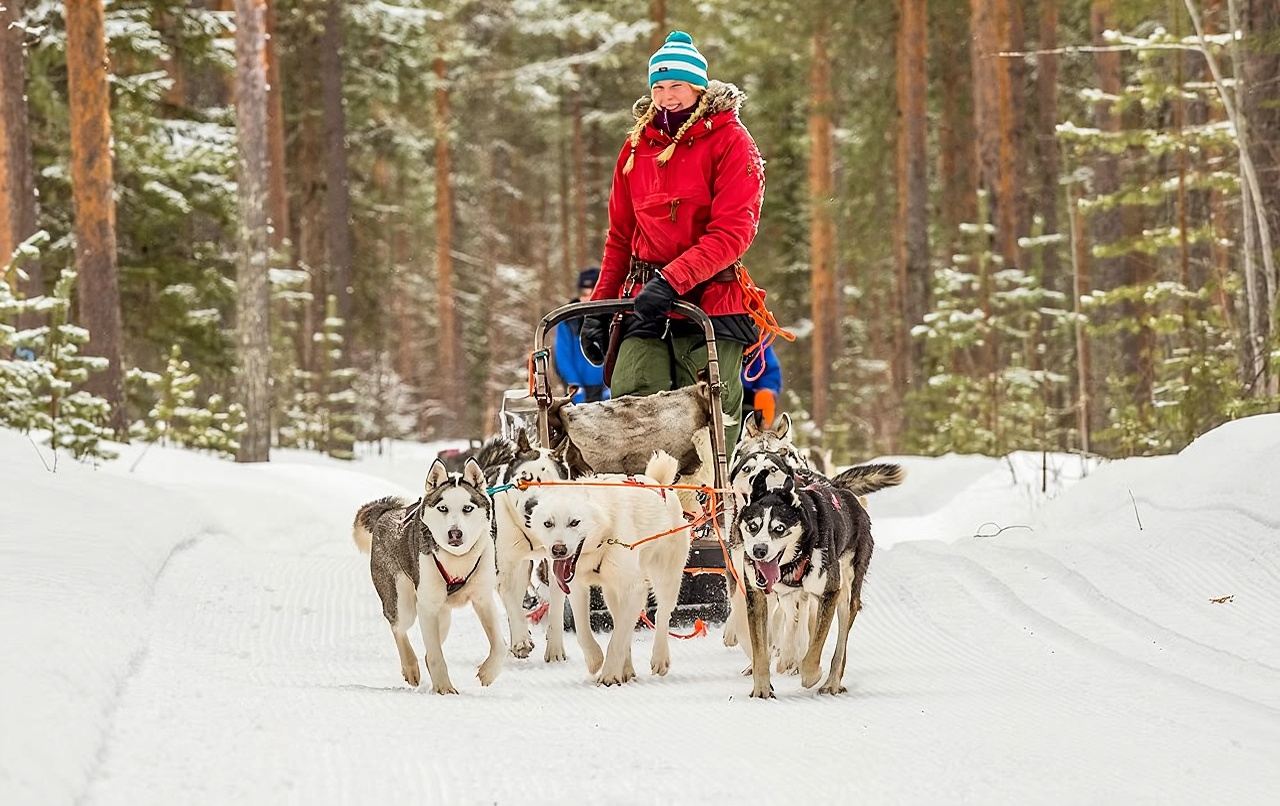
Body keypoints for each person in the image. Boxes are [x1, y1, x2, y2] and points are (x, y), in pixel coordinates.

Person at [579, 30, 767, 453]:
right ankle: (639, 508)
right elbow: (620, 239)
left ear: (699, 87)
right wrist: (598, 308)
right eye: (658, 87)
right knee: (632, 402)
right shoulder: (635, 148)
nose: (667, 97)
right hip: (644, 300)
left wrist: (672, 281)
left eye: (676, 86)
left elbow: (733, 232)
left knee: (704, 418)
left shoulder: (732, 142)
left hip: (710, 299)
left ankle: (709, 510)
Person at [553, 268, 609, 403]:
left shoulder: (612, 316)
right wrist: (575, 387)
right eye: (584, 292)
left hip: (608, 389)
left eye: (593, 291)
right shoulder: (567, 321)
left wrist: (611, 385)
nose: (588, 297)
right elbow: (563, 358)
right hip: (580, 391)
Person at [741, 343, 782, 430]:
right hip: (718, 389)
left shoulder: (757, 340)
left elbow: (769, 372)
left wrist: (766, 391)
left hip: (747, 393)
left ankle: (762, 433)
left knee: (765, 398)